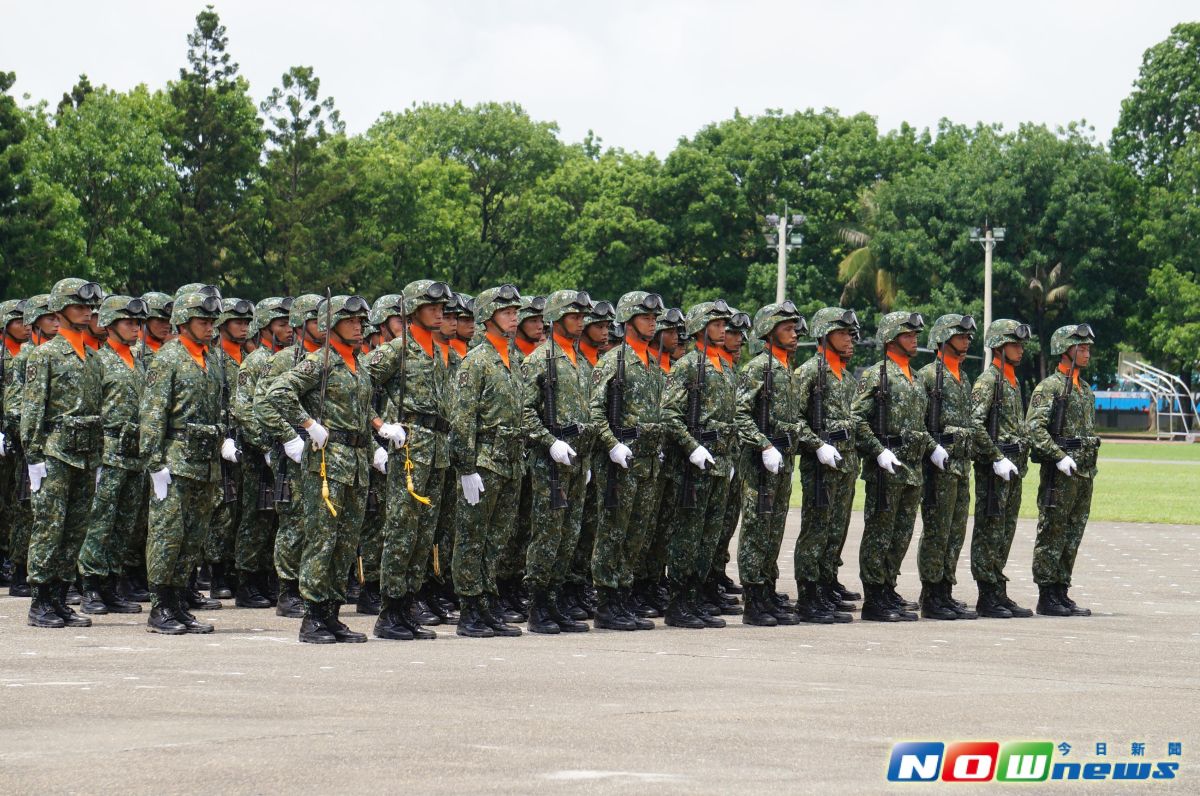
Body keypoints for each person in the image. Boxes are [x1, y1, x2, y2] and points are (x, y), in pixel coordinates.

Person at [265, 294, 375, 644]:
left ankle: (332, 614)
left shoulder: (359, 364)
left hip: (356, 461)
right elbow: (278, 391)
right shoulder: (321, 362)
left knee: (345, 542)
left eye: (360, 320)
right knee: (322, 540)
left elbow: (363, 409)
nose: (358, 326)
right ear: (331, 325)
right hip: (327, 463)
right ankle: (312, 616)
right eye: (350, 320)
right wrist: (308, 423)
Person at [366, 281, 454, 642]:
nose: (440, 313)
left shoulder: (436, 350)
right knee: (402, 530)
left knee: (423, 534)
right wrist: (379, 427)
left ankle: (408, 605)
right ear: (414, 310)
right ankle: (390, 611)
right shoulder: (395, 351)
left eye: (441, 308)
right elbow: (354, 387)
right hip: (409, 446)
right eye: (432, 307)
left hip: (435, 448)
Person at [140, 291, 225, 635]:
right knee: (167, 535)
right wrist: (154, 462)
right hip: (175, 461)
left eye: (210, 322)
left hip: (205, 463)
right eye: (202, 321)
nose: (208, 327)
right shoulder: (168, 358)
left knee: (193, 537)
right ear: (184, 322)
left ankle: (177, 603)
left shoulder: (211, 358)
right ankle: (160, 606)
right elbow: (152, 413)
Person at [22, 279, 105, 629]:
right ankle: (40, 601)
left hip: (85, 454)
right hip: (55, 453)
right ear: (59, 310)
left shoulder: (91, 357)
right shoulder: (45, 355)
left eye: (89, 308)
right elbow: (32, 408)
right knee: (49, 528)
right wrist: (33, 456)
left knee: (75, 530)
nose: (86, 312)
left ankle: (59, 598)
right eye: (78, 307)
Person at [448, 284, 527, 638]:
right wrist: (466, 468)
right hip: (484, 460)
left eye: (515, 312)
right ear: (487, 317)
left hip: (511, 460)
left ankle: (487, 601)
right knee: (471, 537)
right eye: (506, 312)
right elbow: (462, 419)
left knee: (497, 538)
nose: (514, 317)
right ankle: (469, 608)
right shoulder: (475, 362)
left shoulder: (515, 360)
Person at [852, 311, 941, 622]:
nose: (914, 338)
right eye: (907, 334)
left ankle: (888, 587)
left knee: (901, 533)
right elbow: (857, 419)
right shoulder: (877, 375)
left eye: (915, 334)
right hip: (885, 470)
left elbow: (919, 426)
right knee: (879, 532)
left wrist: (934, 448)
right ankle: (873, 597)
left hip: (912, 470)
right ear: (890, 339)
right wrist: (877, 452)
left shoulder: (915, 378)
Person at [588, 291, 667, 631]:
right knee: (613, 531)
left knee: (637, 533)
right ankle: (607, 602)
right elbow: (594, 411)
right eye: (646, 316)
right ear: (629, 320)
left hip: (648, 461)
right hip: (621, 460)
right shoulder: (613, 361)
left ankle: (623, 594)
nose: (652, 322)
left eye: (654, 317)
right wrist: (611, 444)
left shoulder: (650, 362)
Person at [520, 289, 593, 634]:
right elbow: (524, 411)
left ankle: (556, 599)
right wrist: (549, 443)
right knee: (548, 533)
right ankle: (538, 606)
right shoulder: (540, 359)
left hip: (577, 458)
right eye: (574, 316)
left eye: (582, 317)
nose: (580, 322)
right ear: (558, 318)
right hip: (551, 460)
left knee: (569, 533)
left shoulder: (576, 359)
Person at [661, 300, 738, 630]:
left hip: (721, 462)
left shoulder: (724, 365)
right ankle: (679, 603)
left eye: (724, 324)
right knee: (689, 535)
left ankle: (697, 597)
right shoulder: (688, 366)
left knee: (710, 536)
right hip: (695, 465)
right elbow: (669, 414)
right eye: (717, 324)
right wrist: (692, 448)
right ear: (699, 329)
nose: (723, 329)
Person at [794, 308, 871, 624]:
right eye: (843, 333)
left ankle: (825, 585)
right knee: (816, 529)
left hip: (846, 466)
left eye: (852, 334)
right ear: (825, 336)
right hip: (821, 466)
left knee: (836, 530)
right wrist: (817, 445)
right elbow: (794, 420)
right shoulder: (810, 372)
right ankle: (809, 595)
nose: (850, 339)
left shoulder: (846, 377)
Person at [915, 314, 992, 621]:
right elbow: (919, 423)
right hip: (938, 466)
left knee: (955, 531)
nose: (967, 341)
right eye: (961, 336)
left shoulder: (962, 377)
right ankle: (931, 593)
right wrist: (933, 449)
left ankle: (945, 588)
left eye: (968, 337)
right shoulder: (928, 376)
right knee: (937, 530)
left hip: (961, 467)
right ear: (944, 339)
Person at [78, 295, 149, 615]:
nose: (135, 328)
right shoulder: (97, 361)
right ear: (108, 324)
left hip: (136, 455)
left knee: (126, 525)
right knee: (100, 523)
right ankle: (90, 586)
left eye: (137, 323)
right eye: (128, 322)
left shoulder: (140, 361)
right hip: (108, 452)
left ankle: (112, 584)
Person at [734, 302, 805, 626]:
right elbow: (740, 413)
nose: (794, 335)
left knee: (774, 529)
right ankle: (754, 600)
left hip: (783, 462)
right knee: (756, 529)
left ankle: (768, 590)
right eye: (787, 329)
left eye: (794, 329)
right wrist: (762, 444)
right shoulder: (758, 368)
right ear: (769, 331)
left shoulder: (786, 368)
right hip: (761, 463)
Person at [254, 294, 323, 618]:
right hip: (295, 453)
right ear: (300, 324)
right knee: (294, 522)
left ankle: (314, 586)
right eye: (315, 319)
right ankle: (288, 590)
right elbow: (263, 403)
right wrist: (288, 438)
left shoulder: (331, 359)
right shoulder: (282, 360)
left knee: (321, 522)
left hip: (325, 451)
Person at [1026, 323, 1100, 618]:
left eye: (1087, 348)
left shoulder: (1084, 390)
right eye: (1081, 348)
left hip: (1083, 474)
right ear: (1065, 350)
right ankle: (1046, 594)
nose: (1087, 353)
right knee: (1053, 531)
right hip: (1061, 474)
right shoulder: (1050, 387)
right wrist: (1057, 457)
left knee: (1072, 533)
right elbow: (1034, 428)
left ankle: (1061, 589)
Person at [229, 296, 294, 609]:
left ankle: (266, 576)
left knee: (274, 518)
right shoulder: (256, 362)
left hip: (284, 451)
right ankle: (246, 581)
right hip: (259, 453)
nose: (288, 329)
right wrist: (267, 446)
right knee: (256, 515)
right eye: (281, 324)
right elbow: (243, 408)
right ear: (265, 327)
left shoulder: (286, 359)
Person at [970, 319, 1033, 618]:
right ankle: (987, 594)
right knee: (990, 531)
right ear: (998, 346)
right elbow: (975, 425)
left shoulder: (1011, 380)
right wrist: (995, 457)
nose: (1020, 350)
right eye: (1014, 345)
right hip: (995, 471)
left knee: (1005, 531)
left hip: (1012, 469)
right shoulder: (988, 381)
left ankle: (998, 589)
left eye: (1020, 345)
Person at [203, 297, 255, 600]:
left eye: (247, 322)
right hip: (223, 440)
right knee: (221, 510)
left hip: (246, 440)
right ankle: (216, 571)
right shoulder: (216, 358)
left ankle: (237, 569)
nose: (244, 327)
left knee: (242, 510)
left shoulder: (249, 357)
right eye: (238, 322)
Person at [6, 294, 56, 598]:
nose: (56, 322)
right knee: (26, 508)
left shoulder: (57, 353)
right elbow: (15, 402)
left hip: (56, 444)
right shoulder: (26, 356)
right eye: (50, 317)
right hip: (32, 442)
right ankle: (21, 571)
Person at [0, 299, 30, 590]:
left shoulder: (28, 354)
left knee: (15, 503)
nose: (24, 326)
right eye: (17, 320)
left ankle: (11, 557)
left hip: (16, 440)